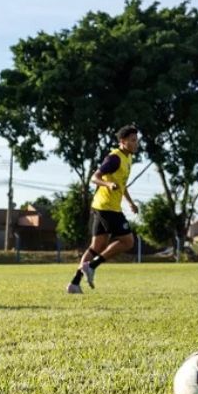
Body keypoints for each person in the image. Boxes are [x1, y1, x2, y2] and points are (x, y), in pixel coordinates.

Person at [66, 125, 141, 294]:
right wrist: (108, 184)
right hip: (107, 208)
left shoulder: (128, 158)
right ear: (123, 142)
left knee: (95, 247)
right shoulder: (114, 158)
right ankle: (92, 266)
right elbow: (95, 177)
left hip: (102, 206)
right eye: (132, 140)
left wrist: (130, 202)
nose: (136, 144)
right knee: (128, 241)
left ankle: (74, 284)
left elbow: (122, 184)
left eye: (137, 140)